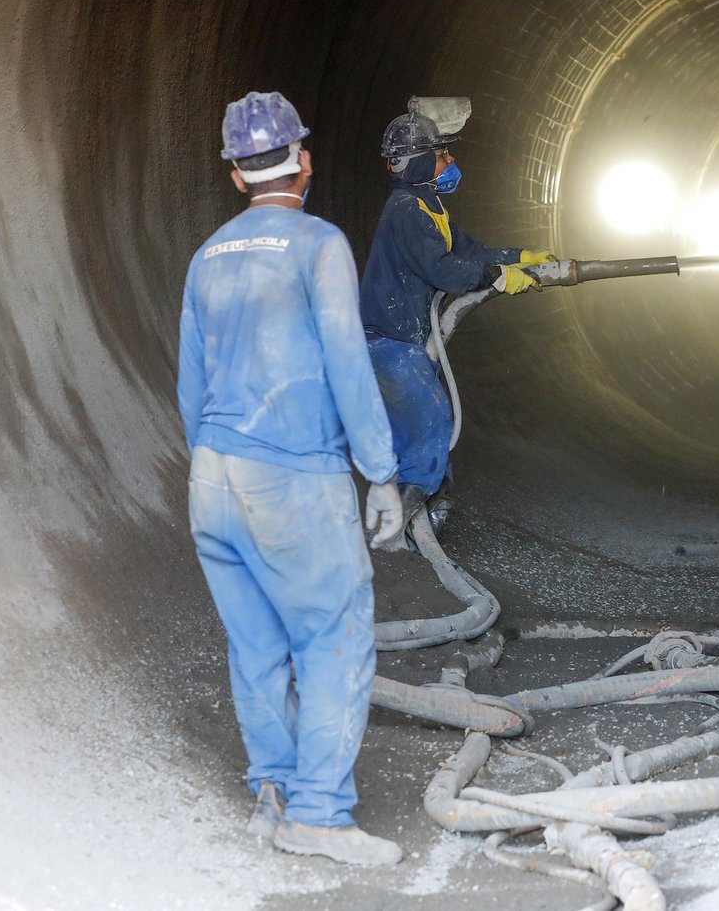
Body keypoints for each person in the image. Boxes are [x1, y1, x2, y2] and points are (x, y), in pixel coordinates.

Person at [177, 91, 405, 865]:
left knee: (257, 644)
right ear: (303, 161)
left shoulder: (208, 255)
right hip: (292, 477)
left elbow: (191, 385)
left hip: (213, 475)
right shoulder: (319, 245)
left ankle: (272, 789)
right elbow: (348, 361)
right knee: (334, 634)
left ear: (238, 178)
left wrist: (219, 471)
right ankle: (319, 815)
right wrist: (381, 474)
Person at [359, 97, 553, 533]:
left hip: (407, 341)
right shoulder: (405, 210)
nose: (450, 161)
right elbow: (443, 269)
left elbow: (466, 251)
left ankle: (432, 507)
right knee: (432, 419)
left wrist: (519, 257)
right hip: (386, 342)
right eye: (442, 154)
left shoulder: (431, 207)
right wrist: (497, 277)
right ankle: (395, 527)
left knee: (426, 423)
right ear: (418, 162)